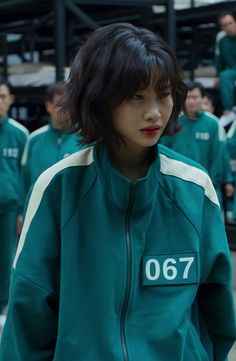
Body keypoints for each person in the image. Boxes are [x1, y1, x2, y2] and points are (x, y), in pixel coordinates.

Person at [0, 23, 235, 360]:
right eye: (136, 96)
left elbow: (218, 312)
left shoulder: (194, 187)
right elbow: (27, 316)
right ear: (99, 97)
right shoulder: (59, 187)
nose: (154, 111)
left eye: (163, 93)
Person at [160, 81, 234, 208]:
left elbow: (220, 156)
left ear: (203, 98)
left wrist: (224, 181)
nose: (191, 101)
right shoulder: (172, 123)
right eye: (188, 97)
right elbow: (161, 152)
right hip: (177, 189)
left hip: (207, 188)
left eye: (194, 97)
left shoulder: (214, 124)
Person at [20, 82, 83, 213]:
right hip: (40, 212)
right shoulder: (34, 140)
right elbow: (24, 180)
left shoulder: (85, 139)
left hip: (74, 213)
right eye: (61, 104)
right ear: (48, 106)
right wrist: (21, 212)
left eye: (69, 103)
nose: (66, 108)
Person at [0, 77, 29, 320]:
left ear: (10, 100)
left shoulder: (21, 135)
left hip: (8, 208)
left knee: (6, 257)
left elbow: (25, 175)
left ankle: (3, 306)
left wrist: (21, 209)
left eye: (2, 97)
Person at [215, 11, 236, 127]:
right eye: (224, 25)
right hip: (233, 70)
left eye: (230, 23)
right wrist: (218, 75)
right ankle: (229, 110)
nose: (228, 27)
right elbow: (219, 59)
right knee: (224, 76)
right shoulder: (221, 38)